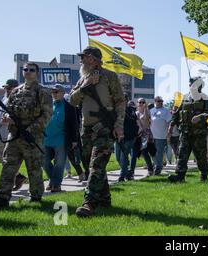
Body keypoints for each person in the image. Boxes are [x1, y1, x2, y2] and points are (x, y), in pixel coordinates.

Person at [0, 63, 53, 210]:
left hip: (32, 137)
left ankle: (36, 197)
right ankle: (2, 198)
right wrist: (6, 118)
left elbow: (47, 115)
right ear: (23, 72)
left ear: (37, 73)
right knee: (8, 166)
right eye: (26, 70)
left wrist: (30, 129)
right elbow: (8, 109)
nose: (28, 72)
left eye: (31, 70)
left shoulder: (42, 91)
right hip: (14, 137)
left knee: (34, 168)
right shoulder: (16, 91)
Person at [69, 46, 125, 217]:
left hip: (105, 128)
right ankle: (105, 198)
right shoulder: (83, 79)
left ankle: (89, 203)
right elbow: (72, 100)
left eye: (83, 57)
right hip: (86, 129)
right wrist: (85, 86)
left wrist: (118, 124)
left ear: (93, 59)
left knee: (97, 165)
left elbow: (120, 102)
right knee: (91, 166)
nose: (81, 60)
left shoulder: (109, 76)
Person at [167, 77, 208, 182]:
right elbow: (177, 112)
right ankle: (180, 176)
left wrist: (200, 117)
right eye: (190, 84)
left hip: (198, 133)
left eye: (193, 84)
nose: (190, 86)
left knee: (200, 156)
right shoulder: (185, 97)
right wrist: (172, 124)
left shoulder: (205, 98)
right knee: (182, 155)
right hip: (185, 132)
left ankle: (204, 174)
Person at [0, 79, 28, 190]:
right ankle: (19, 177)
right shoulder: (4, 98)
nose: (6, 89)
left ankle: (11, 182)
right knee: (1, 158)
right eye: (5, 88)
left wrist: (8, 120)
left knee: (8, 160)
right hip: (0, 133)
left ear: (15, 88)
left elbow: (21, 116)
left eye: (8, 87)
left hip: (9, 133)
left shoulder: (18, 99)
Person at [43, 84, 78, 193]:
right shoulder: (47, 105)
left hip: (61, 139)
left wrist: (74, 140)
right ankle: (53, 180)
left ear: (63, 93)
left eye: (57, 91)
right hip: (46, 139)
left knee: (59, 163)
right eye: (53, 92)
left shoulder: (69, 107)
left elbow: (74, 124)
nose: (54, 94)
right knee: (43, 161)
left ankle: (56, 185)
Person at [114, 100, 139, 182]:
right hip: (118, 138)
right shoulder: (116, 109)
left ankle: (122, 177)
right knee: (118, 157)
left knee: (123, 157)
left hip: (129, 137)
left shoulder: (130, 110)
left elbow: (133, 121)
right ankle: (128, 173)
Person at [150, 96, 172, 175]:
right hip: (151, 136)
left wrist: (169, 133)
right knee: (152, 152)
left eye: (162, 101)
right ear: (155, 101)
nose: (161, 102)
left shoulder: (165, 111)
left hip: (161, 135)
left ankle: (158, 168)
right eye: (159, 101)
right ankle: (156, 165)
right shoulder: (151, 111)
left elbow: (170, 122)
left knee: (159, 152)